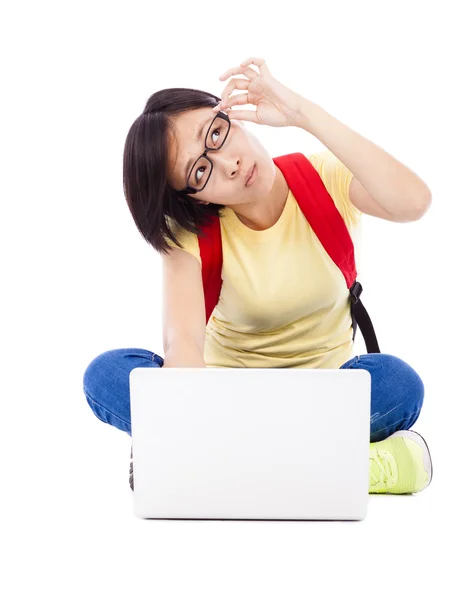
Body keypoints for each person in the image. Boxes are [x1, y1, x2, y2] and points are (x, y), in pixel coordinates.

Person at [83, 57, 433, 495]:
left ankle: (207, 463)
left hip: (326, 397)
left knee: (397, 383)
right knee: (106, 375)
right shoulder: (191, 236)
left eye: (215, 132)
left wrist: (302, 114)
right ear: (197, 198)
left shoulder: (323, 177)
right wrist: (183, 408)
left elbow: (413, 201)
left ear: (229, 115)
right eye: (200, 171)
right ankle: (337, 466)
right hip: (226, 401)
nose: (227, 163)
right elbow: (183, 342)